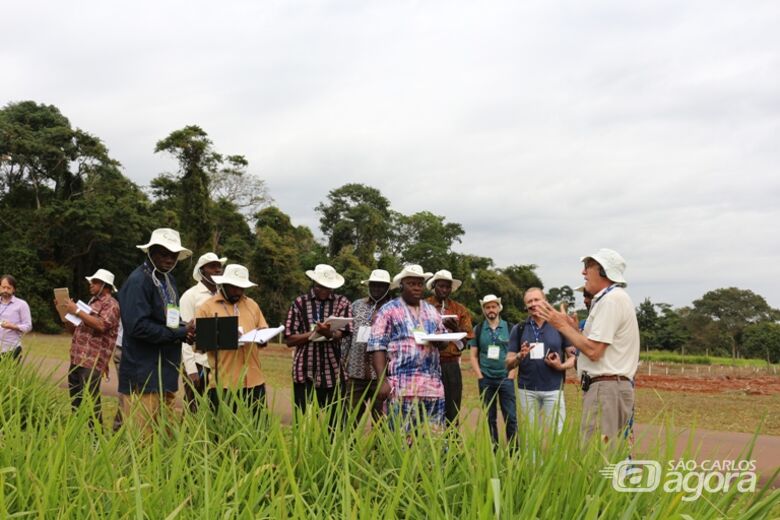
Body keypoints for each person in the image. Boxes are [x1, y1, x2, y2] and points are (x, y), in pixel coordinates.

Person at [537, 248, 640, 445]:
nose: (583, 273)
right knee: (596, 455)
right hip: (605, 388)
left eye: (588, 267)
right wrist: (573, 329)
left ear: (603, 271)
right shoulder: (609, 299)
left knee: (598, 457)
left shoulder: (612, 300)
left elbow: (594, 351)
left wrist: (561, 325)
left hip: (607, 389)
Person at [117, 228, 194, 434]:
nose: (169, 259)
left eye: (173, 255)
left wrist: (185, 329)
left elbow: (169, 320)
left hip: (166, 372)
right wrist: (180, 332)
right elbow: (138, 327)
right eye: (163, 253)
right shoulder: (138, 281)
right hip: (143, 373)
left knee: (165, 439)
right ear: (151, 251)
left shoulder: (169, 280)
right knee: (142, 440)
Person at [368, 265, 447, 432]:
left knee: (432, 442)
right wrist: (382, 381)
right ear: (402, 285)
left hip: (431, 387)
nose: (417, 287)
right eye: (412, 283)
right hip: (402, 387)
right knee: (400, 441)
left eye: (419, 283)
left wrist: (444, 339)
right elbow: (377, 347)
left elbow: (443, 340)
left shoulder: (432, 311)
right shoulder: (388, 310)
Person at [196, 264, 270, 413]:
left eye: (242, 287)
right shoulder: (207, 308)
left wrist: (263, 337)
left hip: (254, 382)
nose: (238, 291)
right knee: (222, 433)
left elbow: (263, 332)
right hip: (223, 384)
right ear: (223, 284)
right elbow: (200, 346)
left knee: (258, 432)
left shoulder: (252, 305)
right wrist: (225, 335)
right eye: (233, 287)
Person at [284, 264, 352, 414]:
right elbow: (289, 339)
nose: (324, 291)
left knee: (336, 425)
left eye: (328, 288)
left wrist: (328, 333)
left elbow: (340, 334)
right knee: (304, 425)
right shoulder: (299, 303)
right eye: (320, 287)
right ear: (314, 283)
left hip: (333, 372)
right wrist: (314, 333)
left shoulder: (342, 303)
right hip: (305, 371)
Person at [507, 288, 575, 434]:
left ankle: (557, 458)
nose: (533, 304)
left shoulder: (559, 326)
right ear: (526, 306)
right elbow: (508, 363)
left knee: (558, 434)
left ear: (545, 301)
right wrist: (519, 356)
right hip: (527, 391)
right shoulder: (518, 329)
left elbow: (573, 357)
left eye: (536, 300)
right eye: (529, 301)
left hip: (554, 390)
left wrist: (561, 366)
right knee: (530, 437)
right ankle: (532, 459)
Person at [61, 269, 121, 429]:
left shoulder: (112, 305)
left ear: (105, 285)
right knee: (76, 399)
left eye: (94, 282)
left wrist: (77, 311)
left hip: (92, 361)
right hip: (77, 358)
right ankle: (79, 432)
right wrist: (65, 312)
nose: (91, 285)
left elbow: (101, 325)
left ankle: (95, 438)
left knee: (90, 401)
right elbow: (74, 330)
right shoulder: (91, 303)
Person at [342, 269, 392, 423]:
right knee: (349, 418)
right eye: (374, 285)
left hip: (383, 376)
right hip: (356, 374)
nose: (377, 288)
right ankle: (348, 447)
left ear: (388, 288)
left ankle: (381, 447)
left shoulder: (394, 309)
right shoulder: (356, 306)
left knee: (382, 420)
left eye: (381, 286)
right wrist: (342, 362)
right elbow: (347, 336)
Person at [425, 269, 474, 426]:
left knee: (452, 409)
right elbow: (415, 331)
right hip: (427, 363)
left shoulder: (459, 310)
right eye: (441, 286)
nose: (444, 290)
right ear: (434, 286)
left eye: (448, 287)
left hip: (450, 364)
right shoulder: (424, 307)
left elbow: (465, 341)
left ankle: (451, 445)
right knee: (427, 408)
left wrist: (456, 329)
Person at [179, 252, 226, 412]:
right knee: (192, 408)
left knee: (216, 408)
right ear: (202, 270)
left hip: (220, 362)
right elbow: (185, 334)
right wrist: (191, 369)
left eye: (219, 266)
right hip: (199, 363)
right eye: (212, 266)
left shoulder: (223, 295)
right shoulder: (190, 296)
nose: (217, 269)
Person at [468, 294, 517, 446]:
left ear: (499, 308)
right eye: (487, 307)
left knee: (511, 417)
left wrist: (511, 375)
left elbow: (515, 354)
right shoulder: (478, 329)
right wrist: (480, 376)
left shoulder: (510, 328)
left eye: (493, 306)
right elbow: (473, 355)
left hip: (505, 378)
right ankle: (493, 450)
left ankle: (514, 451)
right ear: (484, 310)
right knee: (490, 417)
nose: (491, 310)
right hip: (486, 379)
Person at [0, 274, 32, 360]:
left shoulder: (22, 305)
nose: (5, 290)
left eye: (9, 288)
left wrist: (12, 326)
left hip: (12, 349)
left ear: (14, 289)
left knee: (11, 374)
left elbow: (28, 326)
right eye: (3, 287)